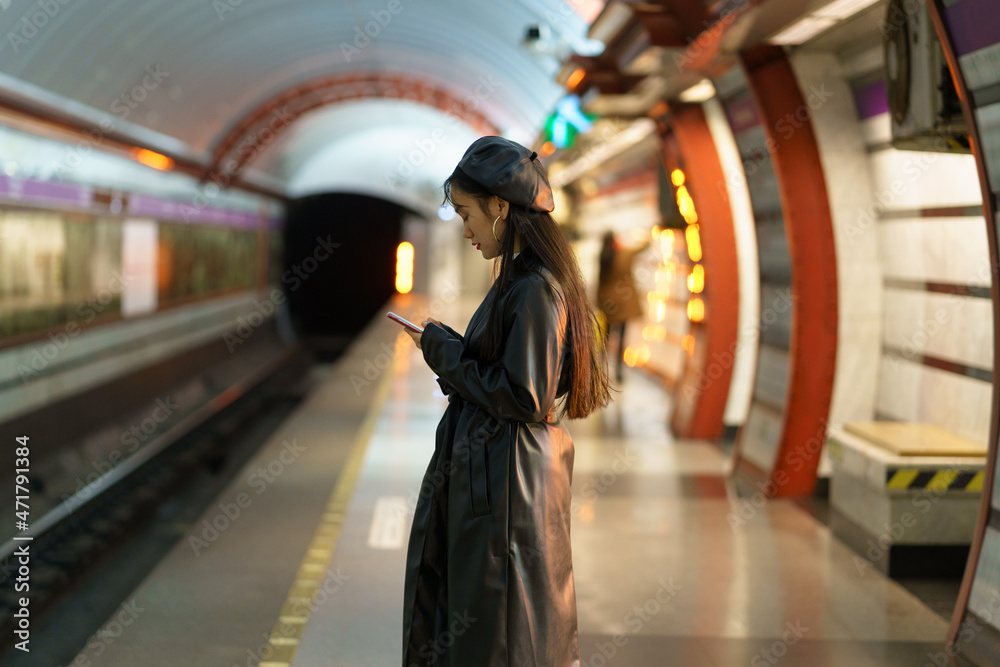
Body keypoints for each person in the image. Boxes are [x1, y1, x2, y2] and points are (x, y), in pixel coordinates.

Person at [397, 136, 612, 666]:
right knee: (489, 629)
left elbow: (523, 395)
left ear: (500, 207)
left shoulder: (534, 289)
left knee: (502, 634)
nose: (465, 229)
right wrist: (448, 345)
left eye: (468, 214)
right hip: (502, 480)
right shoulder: (519, 281)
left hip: (508, 489)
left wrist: (444, 353)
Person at [597, 230, 650, 382]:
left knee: (606, 337)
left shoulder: (603, 258)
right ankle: (619, 372)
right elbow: (643, 247)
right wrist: (648, 234)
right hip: (624, 305)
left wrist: (600, 304)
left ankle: (600, 367)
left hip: (609, 305)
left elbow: (600, 282)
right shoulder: (623, 254)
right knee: (621, 338)